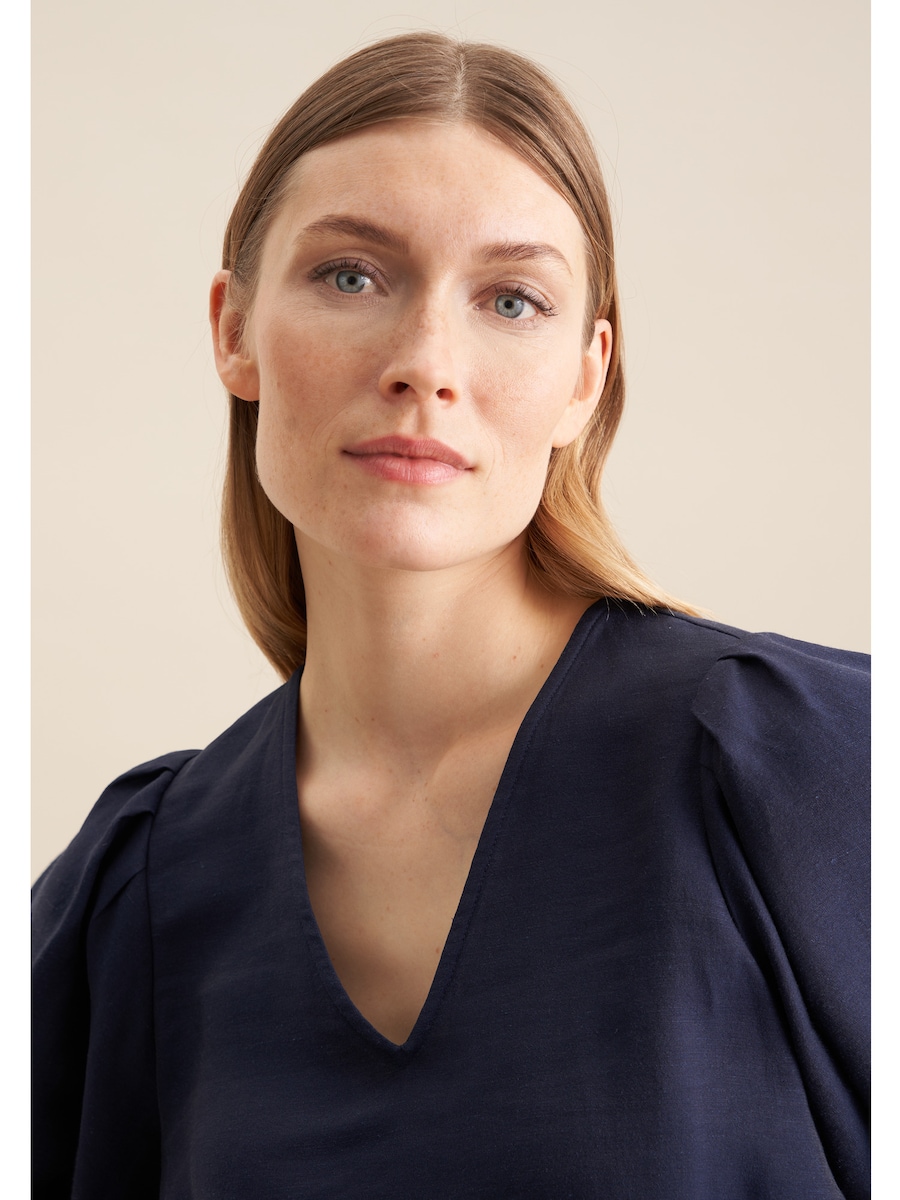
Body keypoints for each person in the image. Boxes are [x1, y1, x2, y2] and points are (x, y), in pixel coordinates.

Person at [32, 31, 869, 1199]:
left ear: (585, 378)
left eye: (512, 300)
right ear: (233, 328)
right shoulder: (135, 900)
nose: (425, 362)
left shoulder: (811, 768)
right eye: (351, 276)